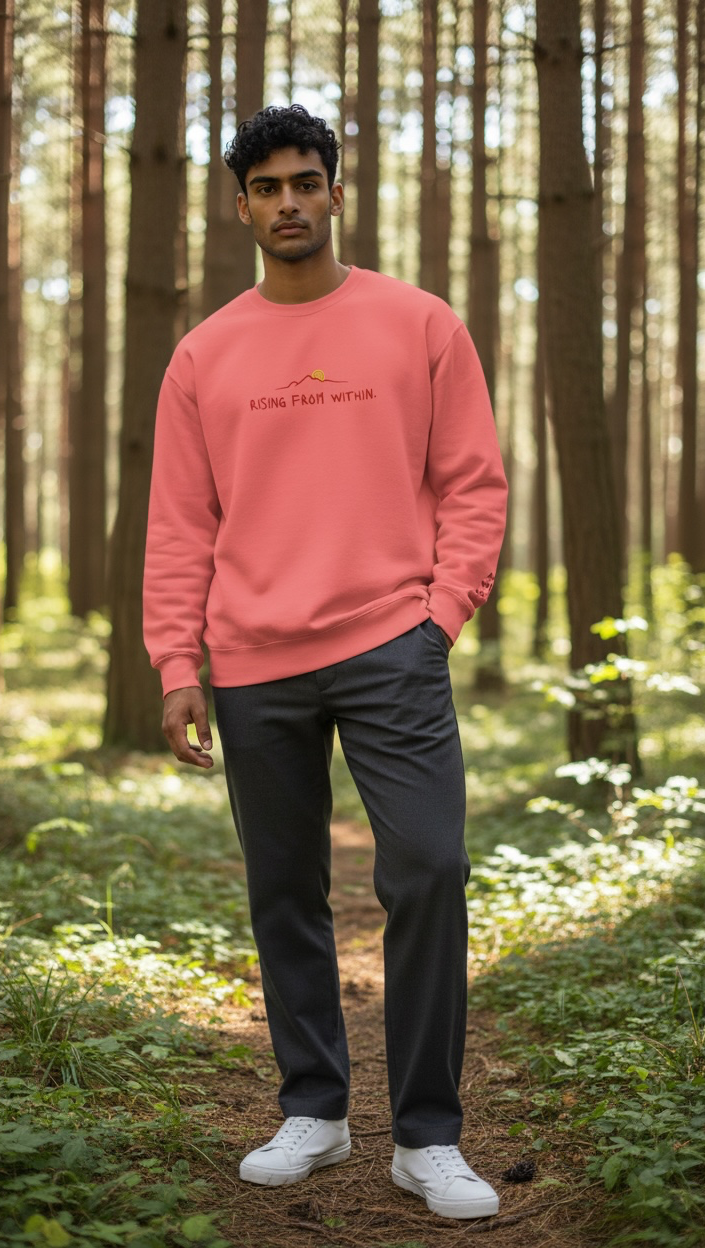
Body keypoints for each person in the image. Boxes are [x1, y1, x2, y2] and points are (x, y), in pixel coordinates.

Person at [142, 103, 508, 1222]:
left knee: (429, 869)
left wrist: (442, 615)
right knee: (284, 888)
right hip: (254, 660)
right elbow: (180, 524)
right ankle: (314, 1107)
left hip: (393, 645)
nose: (288, 202)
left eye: (306, 181)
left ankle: (427, 1135)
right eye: (267, 187)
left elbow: (473, 482)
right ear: (241, 206)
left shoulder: (419, 324)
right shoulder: (204, 352)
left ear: (336, 193)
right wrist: (177, 660)